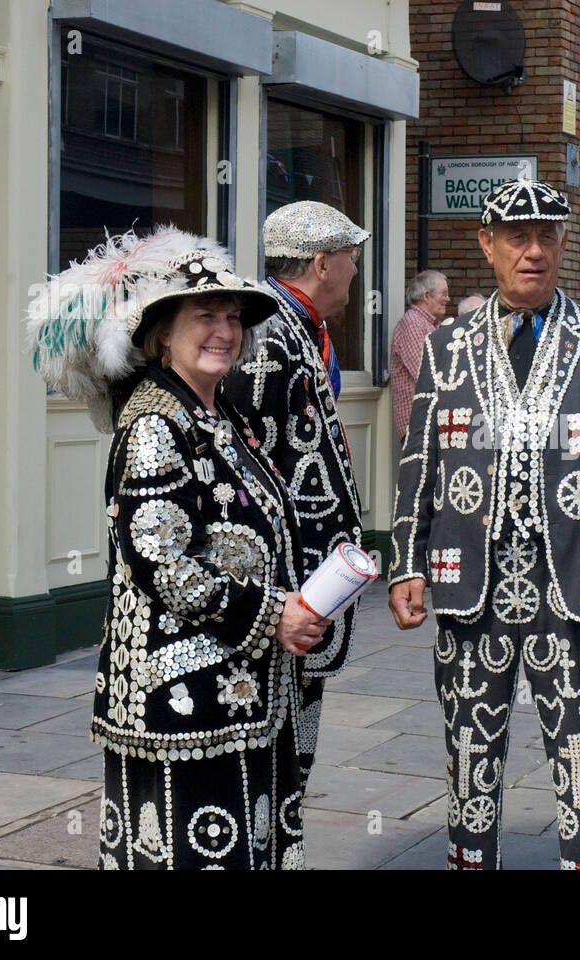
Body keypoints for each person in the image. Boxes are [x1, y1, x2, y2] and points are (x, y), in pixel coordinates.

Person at [27, 230, 328, 869]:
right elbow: (166, 567)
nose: (224, 330)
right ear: (163, 334)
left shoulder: (218, 415)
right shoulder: (156, 425)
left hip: (240, 691)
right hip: (180, 705)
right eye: (204, 316)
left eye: (232, 317)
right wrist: (275, 614)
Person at [387, 178, 580, 870]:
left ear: (563, 243)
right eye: (517, 237)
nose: (533, 251)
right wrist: (406, 560)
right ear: (488, 244)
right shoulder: (446, 345)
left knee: (579, 751)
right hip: (466, 583)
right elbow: (421, 455)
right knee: (469, 752)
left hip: (572, 585)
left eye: (546, 236)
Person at [224, 202, 369, 782]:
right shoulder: (268, 335)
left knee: (296, 743)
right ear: (322, 263)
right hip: (286, 584)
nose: (356, 272)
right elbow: (251, 460)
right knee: (278, 750)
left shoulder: (300, 324)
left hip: (307, 577)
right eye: (352, 260)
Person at [390, 270, 451, 437]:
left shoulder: (430, 325)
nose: (448, 299)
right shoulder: (413, 324)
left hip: (428, 425)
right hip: (420, 426)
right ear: (426, 296)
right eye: (444, 294)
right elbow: (426, 374)